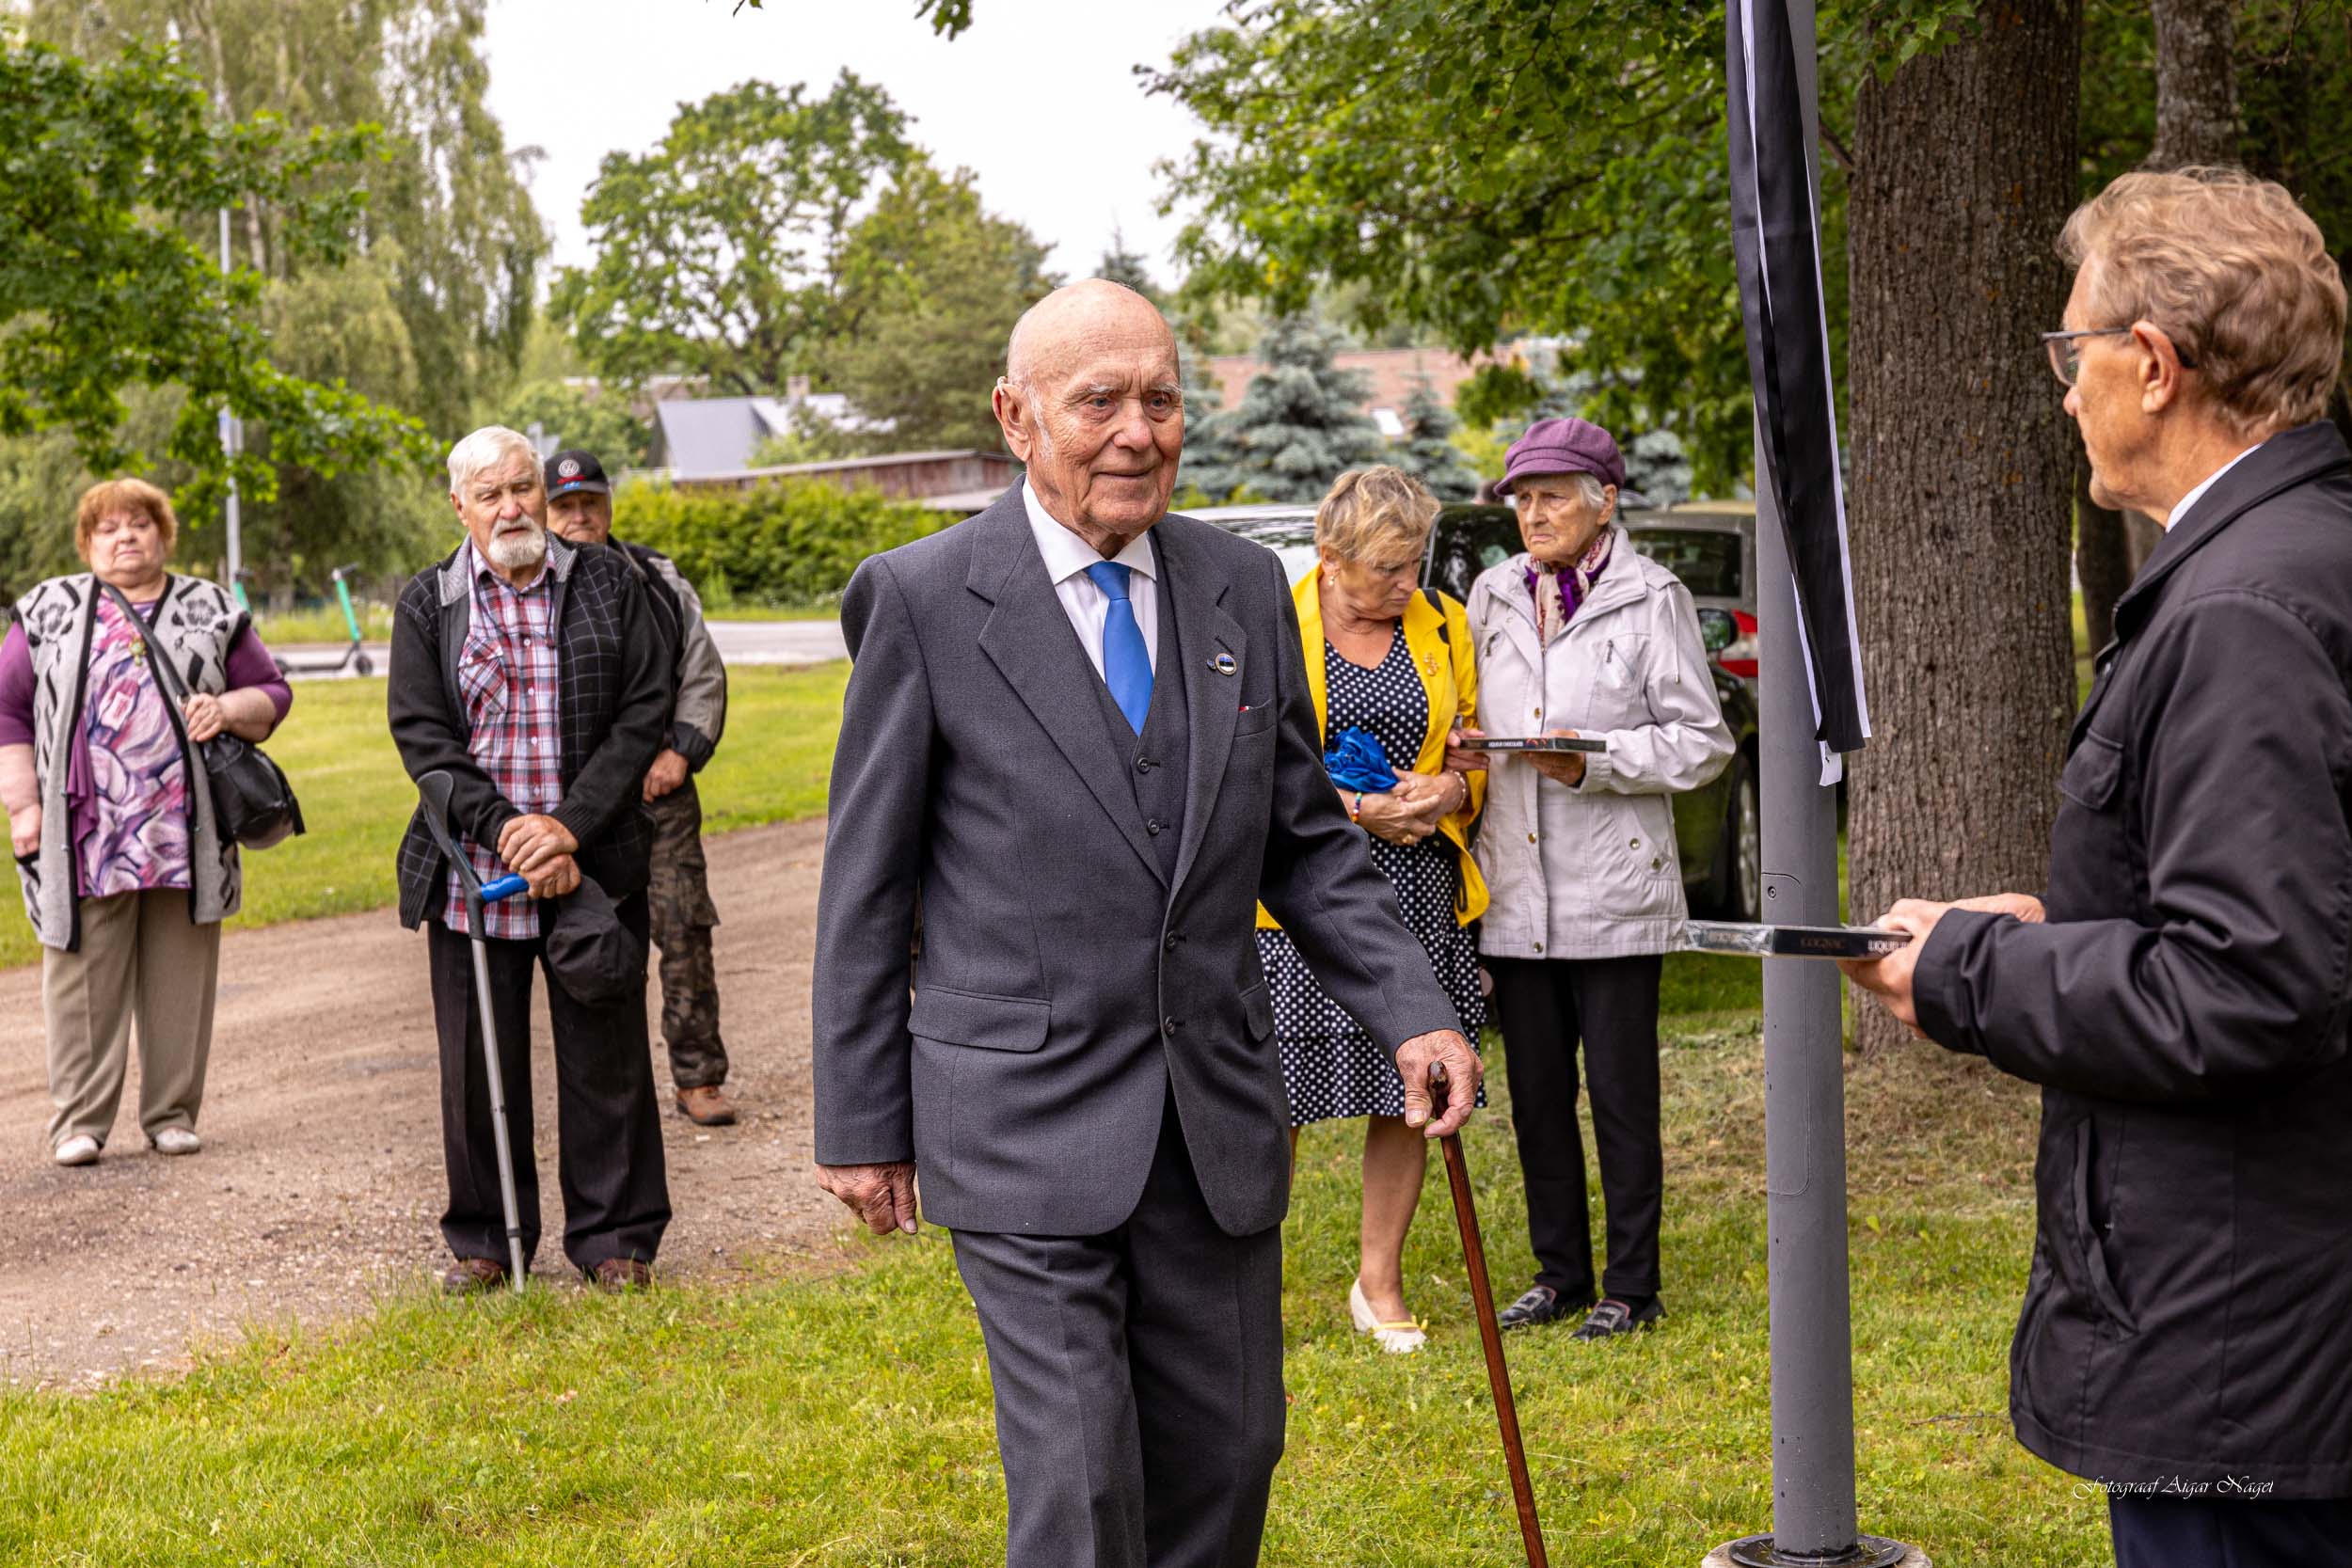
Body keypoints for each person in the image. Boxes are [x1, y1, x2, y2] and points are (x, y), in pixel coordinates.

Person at [811, 279, 1482, 1568]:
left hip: (1212, 1119)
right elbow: (867, 886)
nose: (1138, 430)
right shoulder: (922, 598)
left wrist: (1413, 1006)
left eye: (1162, 398)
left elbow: (1302, 837)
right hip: (1020, 1118)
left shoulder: (1238, 586)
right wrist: (860, 1118)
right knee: (1081, 1482)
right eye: (1098, 399)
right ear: (1017, 417)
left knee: (1229, 1457)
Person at [1841, 168, 2351, 1568]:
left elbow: (2250, 986)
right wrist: (2064, 924)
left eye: (2074, 352)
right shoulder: (2292, 559)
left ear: (2157, 363)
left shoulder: (2248, 606)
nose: (2063, 390)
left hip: (2250, 1333)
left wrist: (1969, 966)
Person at [1453, 416, 1732, 1339]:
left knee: (1619, 1095)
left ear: (1603, 499)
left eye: (1552, 495)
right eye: (1521, 498)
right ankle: (1559, 1270)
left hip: (1615, 885)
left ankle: (1632, 1283)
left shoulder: (1653, 596)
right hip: (1516, 892)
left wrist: (1594, 759)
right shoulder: (1491, 593)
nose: (1532, 513)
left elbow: (1701, 740)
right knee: (1535, 1095)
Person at [389, 425, 674, 1293]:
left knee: (608, 1056)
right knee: (478, 1066)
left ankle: (616, 1241)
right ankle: (485, 1241)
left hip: (593, 861)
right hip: (476, 867)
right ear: (460, 507)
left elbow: (645, 710)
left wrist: (569, 828)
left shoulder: (611, 582)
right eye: (491, 494)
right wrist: (514, 828)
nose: (513, 506)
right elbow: (424, 736)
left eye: (524, 487)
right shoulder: (427, 601)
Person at [1254, 465, 1486, 1354]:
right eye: (1388, 567)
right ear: (1330, 556)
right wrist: (1353, 811)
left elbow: (1474, 756)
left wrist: (1447, 789)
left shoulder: (1443, 624)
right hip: (1297, 896)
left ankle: (1377, 1282)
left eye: (1415, 562)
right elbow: (1258, 772)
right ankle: (1252, 1289)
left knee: (1410, 1087)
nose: (1407, 584)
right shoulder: (1276, 619)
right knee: (1275, 1096)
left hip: (1419, 887)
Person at [0, 478, 293, 1167]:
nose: (125, 536)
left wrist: (227, 709)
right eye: (109, 528)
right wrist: (24, 804)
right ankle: (79, 1121)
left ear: (163, 534)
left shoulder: (211, 607)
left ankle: (171, 1112)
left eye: (140, 524)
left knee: (181, 973)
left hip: (184, 829)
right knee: (79, 976)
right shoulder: (48, 609)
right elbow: (8, 710)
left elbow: (273, 694)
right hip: (86, 831)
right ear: (88, 542)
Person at [541, 448, 737, 1128]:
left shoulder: (655, 577)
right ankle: (604, 1095)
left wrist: (681, 750)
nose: (578, 517)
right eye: (563, 506)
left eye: (588, 502)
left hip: (657, 795)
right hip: (566, 808)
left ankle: (698, 1074)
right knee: (591, 941)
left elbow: (702, 671)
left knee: (682, 927)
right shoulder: (526, 589)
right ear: (543, 513)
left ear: (609, 506)